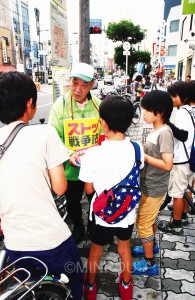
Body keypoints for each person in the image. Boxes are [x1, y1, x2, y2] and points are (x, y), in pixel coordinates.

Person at [0, 71, 84, 299]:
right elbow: (59, 188)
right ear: (30, 103)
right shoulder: (44, 133)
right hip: (51, 240)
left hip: (15, 243)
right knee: (76, 281)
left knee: (29, 291)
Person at [79, 95, 144, 300]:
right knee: (125, 248)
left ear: (103, 123)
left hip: (101, 215)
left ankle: (90, 286)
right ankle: (126, 284)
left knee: (96, 250)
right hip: (126, 213)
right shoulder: (137, 149)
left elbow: (89, 189)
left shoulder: (93, 154)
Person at [48, 62, 102, 245]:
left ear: (92, 85)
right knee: (72, 203)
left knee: (96, 199)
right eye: (74, 83)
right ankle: (78, 226)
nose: (78, 89)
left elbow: (104, 134)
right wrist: (69, 153)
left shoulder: (98, 105)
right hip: (71, 170)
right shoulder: (59, 106)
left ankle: (96, 227)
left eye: (84, 85)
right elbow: (53, 136)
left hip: (94, 169)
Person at [131, 90, 174, 276]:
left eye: (147, 110)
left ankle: (150, 264)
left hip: (154, 187)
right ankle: (152, 246)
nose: (144, 114)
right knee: (150, 219)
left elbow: (168, 164)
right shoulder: (156, 130)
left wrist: (144, 157)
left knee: (143, 224)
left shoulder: (164, 133)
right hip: (148, 184)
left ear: (160, 112)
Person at [158, 80, 195, 235]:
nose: (171, 99)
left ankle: (176, 224)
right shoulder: (192, 110)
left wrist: (166, 123)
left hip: (181, 160)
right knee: (186, 188)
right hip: (190, 158)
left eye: (173, 96)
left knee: (177, 194)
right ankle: (184, 215)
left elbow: (182, 135)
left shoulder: (181, 112)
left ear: (183, 96)